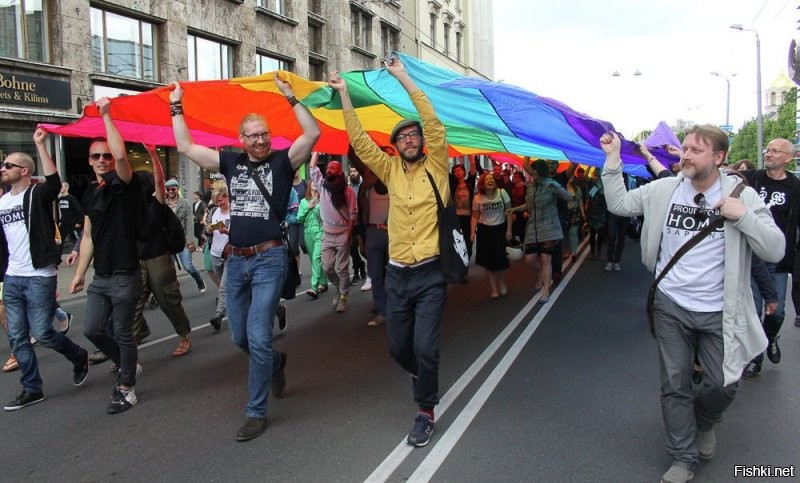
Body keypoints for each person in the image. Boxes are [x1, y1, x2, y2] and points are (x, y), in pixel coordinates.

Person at [600, 126, 784, 483]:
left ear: (719, 158)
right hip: (670, 304)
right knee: (675, 383)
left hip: (720, 311)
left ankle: (703, 422)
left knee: (723, 384)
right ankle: (682, 457)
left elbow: (775, 249)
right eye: (684, 148)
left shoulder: (742, 196)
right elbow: (619, 205)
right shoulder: (665, 189)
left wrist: (743, 216)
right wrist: (612, 160)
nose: (685, 155)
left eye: (696, 150)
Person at [170, 73, 319, 442]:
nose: (260, 139)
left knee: (257, 334)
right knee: (240, 338)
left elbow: (312, 134)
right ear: (241, 140)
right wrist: (176, 104)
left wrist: (291, 98)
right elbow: (186, 146)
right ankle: (276, 362)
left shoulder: (285, 162)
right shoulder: (230, 163)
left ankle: (256, 411)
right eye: (252, 134)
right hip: (236, 261)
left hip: (269, 259)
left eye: (264, 133)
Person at [329, 55, 448, 447]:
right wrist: (345, 95)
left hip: (431, 273)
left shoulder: (438, 167)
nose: (410, 139)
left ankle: (425, 409)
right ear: (395, 147)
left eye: (414, 135)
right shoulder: (390, 170)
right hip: (398, 275)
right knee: (400, 348)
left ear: (422, 140)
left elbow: (431, 119)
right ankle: (422, 373)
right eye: (402, 137)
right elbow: (360, 141)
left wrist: (404, 78)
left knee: (426, 346)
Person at [0, 130, 89, 411]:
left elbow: (52, 181)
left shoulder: (36, 194)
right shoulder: (2, 202)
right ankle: (32, 388)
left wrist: (40, 144)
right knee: (17, 336)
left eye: (7, 165)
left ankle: (78, 356)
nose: (3, 169)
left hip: (39, 276)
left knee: (44, 332)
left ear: (24, 171)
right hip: (12, 277)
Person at [69, 98, 144, 414]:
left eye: (105, 155)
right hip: (102, 277)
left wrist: (107, 116)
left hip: (126, 274)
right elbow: (88, 236)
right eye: (95, 156)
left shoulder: (122, 183)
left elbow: (122, 156)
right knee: (92, 330)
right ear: (89, 161)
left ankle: (126, 387)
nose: (102, 159)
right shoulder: (90, 192)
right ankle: (128, 363)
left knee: (123, 332)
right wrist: (79, 272)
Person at [737, 138, 800, 378]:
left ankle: (771, 337)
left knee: (778, 312)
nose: (768, 153)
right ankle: (756, 357)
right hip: (751, 258)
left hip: (778, 261)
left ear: (788, 158)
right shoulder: (751, 179)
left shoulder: (795, 188)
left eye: (775, 150)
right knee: (753, 309)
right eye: (767, 149)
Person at [130, 145, 193, 356]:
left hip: (159, 259)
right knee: (134, 304)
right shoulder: (130, 207)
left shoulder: (156, 203)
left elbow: (159, 181)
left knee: (168, 301)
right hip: (138, 261)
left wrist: (153, 154)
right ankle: (129, 348)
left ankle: (184, 335)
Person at [507, 158, 573, 303]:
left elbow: (568, 197)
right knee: (529, 259)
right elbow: (529, 206)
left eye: (536, 174)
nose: (533, 176)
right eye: (533, 174)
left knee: (545, 259)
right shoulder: (531, 187)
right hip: (532, 227)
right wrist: (514, 209)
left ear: (542, 173)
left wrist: (558, 190)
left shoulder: (551, 184)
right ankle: (541, 275)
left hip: (549, 226)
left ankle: (546, 291)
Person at [308, 155, 357, 313]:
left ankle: (343, 297)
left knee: (342, 269)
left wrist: (349, 234)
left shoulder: (348, 191)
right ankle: (338, 288)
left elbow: (352, 214)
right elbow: (312, 168)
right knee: (327, 267)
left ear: (339, 172)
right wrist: (316, 150)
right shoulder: (322, 186)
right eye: (327, 168)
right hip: (327, 234)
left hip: (343, 233)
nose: (328, 170)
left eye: (332, 168)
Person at [471, 172, 512, 299]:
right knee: (488, 261)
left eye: (491, 179)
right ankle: (493, 287)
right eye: (487, 179)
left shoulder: (502, 193)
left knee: (501, 260)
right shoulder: (477, 198)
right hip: (485, 231)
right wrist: (472, 232)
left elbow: (509, 212)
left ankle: (501, 281)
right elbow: (475, 216)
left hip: (500, 229)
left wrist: (509, 230)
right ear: (482, 183)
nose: (490, 181)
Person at [165, 179, 207, 294]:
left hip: (182, 240)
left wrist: (190, 241)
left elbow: (189, 223)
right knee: (169, 270)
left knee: (187, 266)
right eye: (168, 189)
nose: (170, 191)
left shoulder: (185, 203)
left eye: (173, 189)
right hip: (168, 242)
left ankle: (199, 279)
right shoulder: (162, 204)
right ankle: (172, 290)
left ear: (177, 189)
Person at [297, 178, 327, 299]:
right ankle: (324, 283)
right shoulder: (304, 202)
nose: (314, 184)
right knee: (313, 259)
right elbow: (299, 218)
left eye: (316, 182)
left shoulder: (323, 201)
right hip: (307, 232)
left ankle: (314, 287)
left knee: (316, 257)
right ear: (309, 185)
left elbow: (326, 217)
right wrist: (308, 207)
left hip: (320, 231)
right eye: (312, 182)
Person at [207, 184, 231, 331]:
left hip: (230, 255)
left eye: (221, 201)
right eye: (216, 202)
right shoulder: (215, 211)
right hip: (215, 254)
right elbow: (208, 230)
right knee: (232, 289)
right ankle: (277, 309)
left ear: (227, 198)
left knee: (223, 288)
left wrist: (227, 232)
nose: (219, 204)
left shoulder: (234, 212)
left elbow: (241, 235)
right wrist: (209, 229)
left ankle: (218, 316)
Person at [57, 182, 84, 252]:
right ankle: (57, 257)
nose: (60, 188)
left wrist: (79, 222)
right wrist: (60, 221)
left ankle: (80, 254)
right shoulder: (60, 199)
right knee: (60, 240)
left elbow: (80, 211)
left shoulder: (72, 198)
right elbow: (63, 212)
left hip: (73, 224)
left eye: (62, 186)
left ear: (66, 188)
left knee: (76, 240)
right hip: (64, 223)